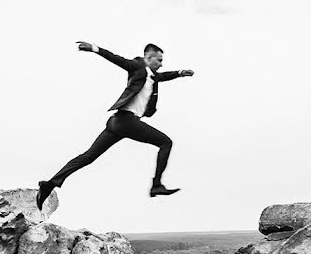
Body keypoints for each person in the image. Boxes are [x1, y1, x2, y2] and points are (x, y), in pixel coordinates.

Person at [35, 42, 194, 210]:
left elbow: (164, 76)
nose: (161, 64)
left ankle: (49, 184)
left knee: (89, 156)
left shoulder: (152, 76)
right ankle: (156, 185)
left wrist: (180, 73)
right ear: (148, 58)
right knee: (165, 142)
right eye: (159, 60)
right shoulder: (137, 67)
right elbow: (116, 59)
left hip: (116, 123)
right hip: (127, 121)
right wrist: (95, 49)